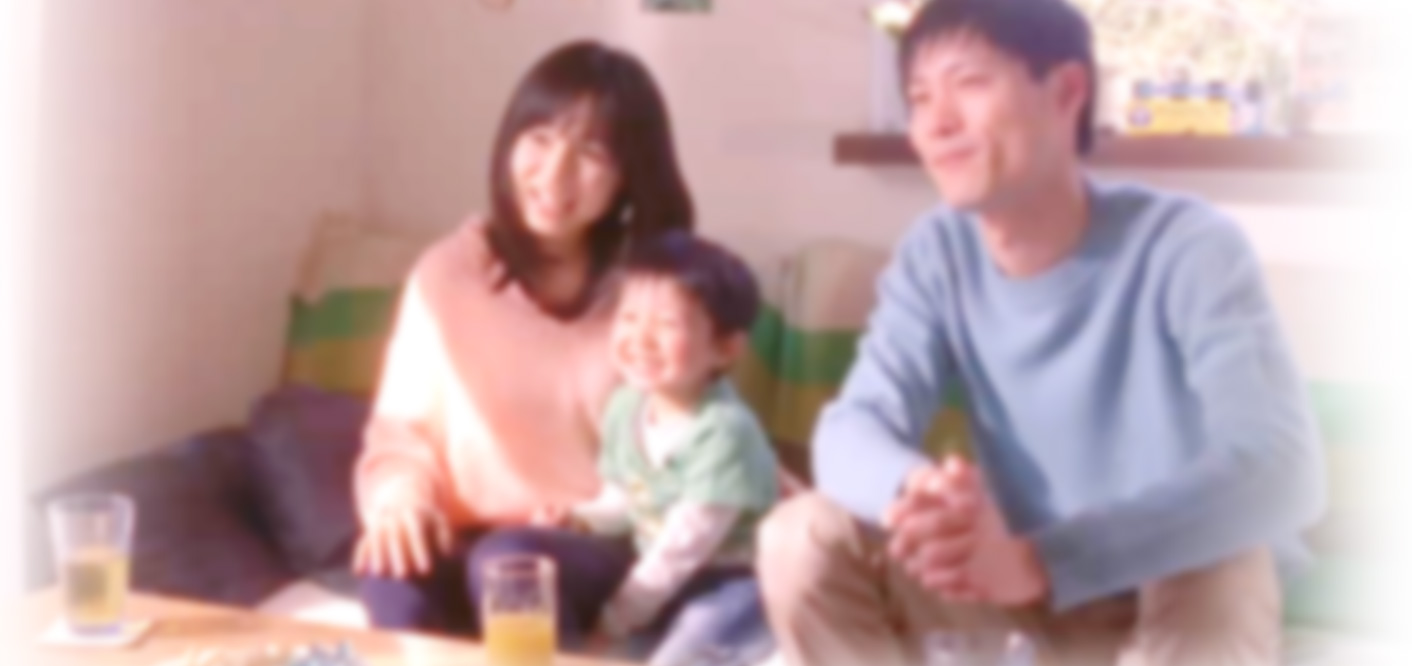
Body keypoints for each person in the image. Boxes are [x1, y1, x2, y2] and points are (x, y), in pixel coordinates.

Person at [757, 1, 1325, 665]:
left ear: (1066, 91)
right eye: (919, 98)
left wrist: (1048, 561)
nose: (937, 123)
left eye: (969, 83)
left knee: (1222, 554)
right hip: (1018, 601)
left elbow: (1281, 468)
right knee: (801, 536)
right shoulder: (937, 254)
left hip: (1168, 601)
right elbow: (849, 431)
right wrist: (922, 496)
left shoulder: (1187, 247)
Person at [352, 39, 694, 640]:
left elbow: (693, 448)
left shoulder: (654, 297)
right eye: (539, 137)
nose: (555, 173)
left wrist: (586, 518)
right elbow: (400, 432)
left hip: (594, 545)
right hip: (465, 539)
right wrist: (401, 501)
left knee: (508, 565)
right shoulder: (447, 275)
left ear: (628, 176)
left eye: (592, 151)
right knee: (389, 571)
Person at [513, 230, 780, 665]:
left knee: (681, 652)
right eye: (630, 317)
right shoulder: (627, 405)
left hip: (729, 583)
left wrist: (616, 620)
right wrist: (581, 519)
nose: (640, 338)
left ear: (725, 348)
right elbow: (625, 498)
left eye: (667, 324)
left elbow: (685, 546)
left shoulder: (725, 432)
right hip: (659, 575)